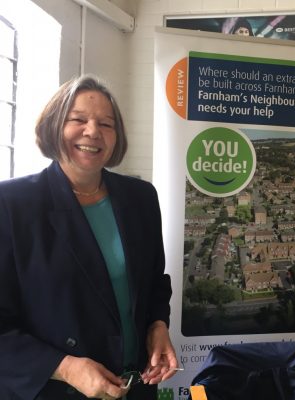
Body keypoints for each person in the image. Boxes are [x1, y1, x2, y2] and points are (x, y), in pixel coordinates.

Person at [0, 75, 179, 399]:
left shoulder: (140, 198)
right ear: (54, 126)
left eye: (106, 124)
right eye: (78, 119)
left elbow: (154, 282)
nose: (93, 131)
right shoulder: (12, 205)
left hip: (136, 387)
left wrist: (157, 325)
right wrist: (65, 367)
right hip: (54, 391)